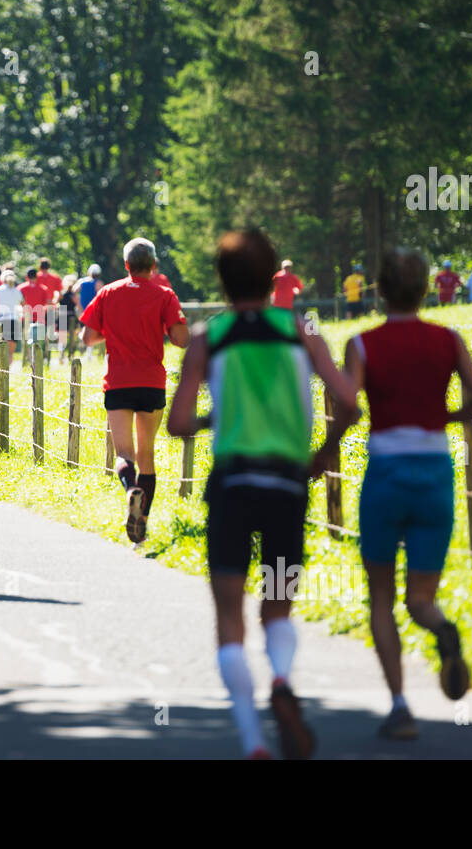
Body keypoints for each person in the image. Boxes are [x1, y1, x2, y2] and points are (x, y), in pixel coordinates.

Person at [167, 229, 357, 760]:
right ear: (276, 277)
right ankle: (280, 679)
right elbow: (349, 403)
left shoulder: (211, 337)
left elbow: (178, 422)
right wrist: (324, 451)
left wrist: (215, 416)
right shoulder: (301, 330)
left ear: (222, 282)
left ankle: (252, 741)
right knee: (278, 602)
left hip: (232, 485)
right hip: (287, 486)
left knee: (229, 611)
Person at [330, 247, 472, 741]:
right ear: (426, 288)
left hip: (385, 475)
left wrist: (326, 450)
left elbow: (348, 407)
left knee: (380, 595)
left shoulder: (362, 345)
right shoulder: (448, 339)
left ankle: (401, 707)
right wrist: (442, 417)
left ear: (378, 290)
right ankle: (442, 629)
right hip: (434, 473)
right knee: (421, 598)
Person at [79, 237, 190, 543]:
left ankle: (131, 491)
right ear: (153, 266)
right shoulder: (165, 295)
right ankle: (143, 523)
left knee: (124, 453)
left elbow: (88, 337)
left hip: (118, 381)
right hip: (152, 381)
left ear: (126, 265)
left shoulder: (108, 293)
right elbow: (181, 338)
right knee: (147, 454)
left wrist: (114, 332)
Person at [0, 268, 24, 357]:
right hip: (15, 320)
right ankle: (7, 369)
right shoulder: (18, 291)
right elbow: (24, 305)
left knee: (2, 349)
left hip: (2, 319)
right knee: (10, 352)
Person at [17, 266, 51, 352]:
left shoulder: (20, 288)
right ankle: (43, 356)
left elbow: (18, 302)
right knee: (41, 338)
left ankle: (27, 358)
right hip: (40, 317)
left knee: (26, 338)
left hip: (26, 317)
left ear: (26, 277)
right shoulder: (43, 288)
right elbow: (48, 303)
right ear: (37, 277)